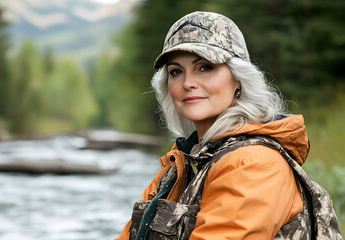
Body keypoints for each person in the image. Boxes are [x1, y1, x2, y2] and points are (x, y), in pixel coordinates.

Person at [116, 11, 311, 239]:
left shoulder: (253, 164)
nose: (188, 83)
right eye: (176, 72)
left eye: (205, 67)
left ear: (238, 78)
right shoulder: (179, 165)